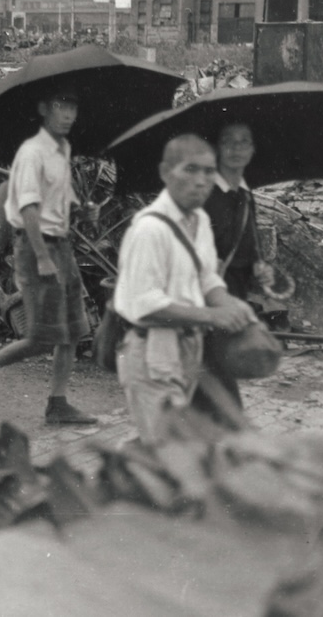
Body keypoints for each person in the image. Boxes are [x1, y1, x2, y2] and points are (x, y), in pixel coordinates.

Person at [0, 86, 99, 425]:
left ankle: (58, 403)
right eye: (60, 105)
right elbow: (28, 208)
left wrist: (83, 212)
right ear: (43, 109)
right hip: (36, 247)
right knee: (41, 337)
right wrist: (42, 257)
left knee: (74, 330)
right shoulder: (31, 153)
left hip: (61, 245)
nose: (68, 114)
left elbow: (59, 202)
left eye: (72, 107)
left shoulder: (62, 150)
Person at [112, 134, 258, 443]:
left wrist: (227, 302)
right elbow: (145, 305)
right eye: (190, 170)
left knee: (169, 448)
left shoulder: (200, 220)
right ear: (166, 172)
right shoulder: (150, 229)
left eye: (208, 171)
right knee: (171, 453)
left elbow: (205, 277)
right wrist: (210, 316)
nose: (201, 181)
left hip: (188, 350)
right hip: (152, 353)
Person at [194, 122, 276, 415]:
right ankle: (231, 430)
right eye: (229, 142)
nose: (236, 149)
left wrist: (260, 267)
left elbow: (249, 243)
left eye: (244, 142)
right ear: (217, 149)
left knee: (216, 367)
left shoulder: (245, 193)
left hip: (236, 290)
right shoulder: (205, 194)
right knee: (216, 369)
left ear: (253, 150)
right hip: (208, 293)